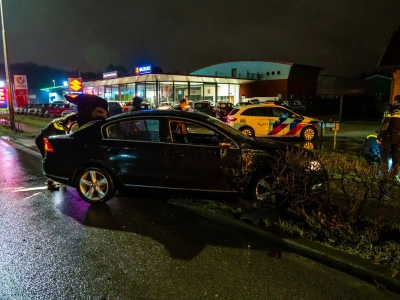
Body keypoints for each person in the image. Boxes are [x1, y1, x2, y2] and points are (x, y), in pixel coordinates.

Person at [35, 112, 78, 190]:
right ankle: (50, 184)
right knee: (50, 161)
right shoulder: (58, 124)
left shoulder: (65, 126)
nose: (73, 125)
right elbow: (48, 137)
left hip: (49, 142)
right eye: (73, 123)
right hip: (43, 142)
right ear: (70, 120)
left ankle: (59, 179)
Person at [376, 95, 400, 174]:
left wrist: (379, 137)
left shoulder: (391, 109)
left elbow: (385, 125)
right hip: (399, 138)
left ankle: (384, 173)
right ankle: (394, 174)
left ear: (395, 100)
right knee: (396, 155)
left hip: (388, 137)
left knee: (384, 153)